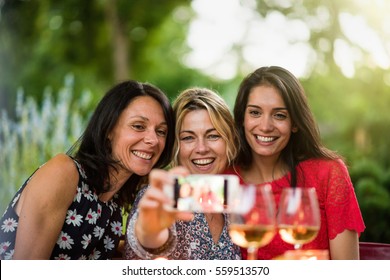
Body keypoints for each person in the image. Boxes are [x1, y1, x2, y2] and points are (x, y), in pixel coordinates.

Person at [0, 80, 175, 260]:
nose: (153, 140)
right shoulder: (63, 173)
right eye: (138, 126)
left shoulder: (112, 208)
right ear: (108, 129)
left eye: (161, 131)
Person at [228, 66, 365, 260]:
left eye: (279, 115)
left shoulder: (327, 173)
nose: (265, 126)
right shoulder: (226, 180)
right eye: (255, 113)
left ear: (295, 123)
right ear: (242, 118)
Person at [124, 87, 241, 260]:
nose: (201, 148)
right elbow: (150, 238)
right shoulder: (160, 196)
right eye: (188, 138)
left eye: (213, 136)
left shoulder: (231, 201)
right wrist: (150, 229)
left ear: (229, 141)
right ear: (174, 147)